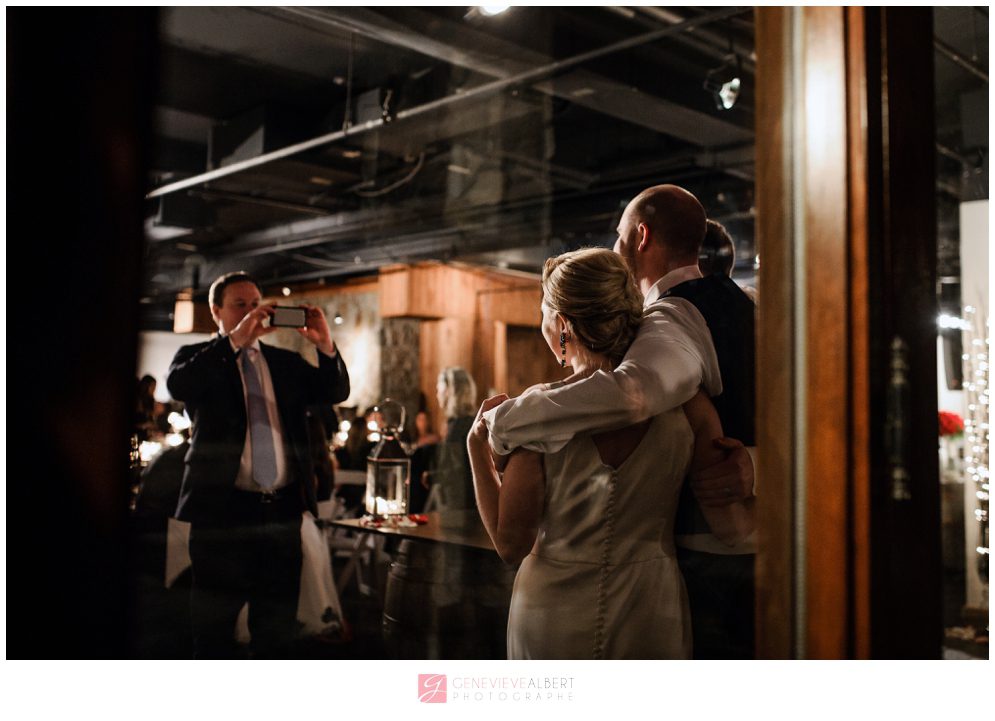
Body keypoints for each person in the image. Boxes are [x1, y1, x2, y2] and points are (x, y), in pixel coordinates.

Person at [484, 184, 757, 659]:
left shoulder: (671, 317)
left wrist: (506, 421)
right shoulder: (751, 305)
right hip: (745, 543)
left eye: (617, 235)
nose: (615, 246)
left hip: (701, 562)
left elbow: (631, 395)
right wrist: (759, 464)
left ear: (640, 236)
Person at [166, 271, 350, 658]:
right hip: (223, 515)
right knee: (213, 630)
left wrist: (325, 344)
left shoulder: (284, 363)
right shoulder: (199, 359)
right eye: (240, 305)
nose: (252, 313)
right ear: (217, 311)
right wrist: (235, 341)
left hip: (281, 513)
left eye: (256, 305)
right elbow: (180, 386)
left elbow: (335, 392)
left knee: (278, 630)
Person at [424, 367, 478, 510]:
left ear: (450, 390)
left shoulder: (458, 427)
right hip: (470, 503)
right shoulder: (471, 422)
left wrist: (431, 477)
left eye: (439, 389)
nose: (437, 394)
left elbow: (456, 472)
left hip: (458, 508)